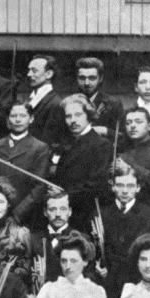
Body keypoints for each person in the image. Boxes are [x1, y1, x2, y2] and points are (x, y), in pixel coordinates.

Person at [98, 168, 150, 298]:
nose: (125, 190)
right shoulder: (100, 214)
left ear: (138, 188)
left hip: (138, 286)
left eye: (130, 185)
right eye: (120, 185)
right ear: (113, 186)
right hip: (108, 286)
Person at [51, 93, 112, 231]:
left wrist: (64, 196)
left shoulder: (101, 144)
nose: (72, 120)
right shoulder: (66, 143)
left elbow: (95, 185)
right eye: (68, 116)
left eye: (78, 115)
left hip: (86, 216)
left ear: (89, 115)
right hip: (64, 214)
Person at [0, 102, 51, 225]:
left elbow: (39, 186)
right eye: (14, 116)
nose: (18, 120)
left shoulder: (39, 148)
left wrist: (17, 215)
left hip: (24, 215)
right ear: (8, 120)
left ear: (31, 119)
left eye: (22, 116)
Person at [115, 106, 150, 211]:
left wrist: (131, 169)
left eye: (138, 122)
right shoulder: (123, 154)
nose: (132, 126)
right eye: (128, 123)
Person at [76, 57, 123, 143]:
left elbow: (122, 137)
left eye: (92, 78)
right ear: (77, 78)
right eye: (82, 78)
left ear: (100, 78)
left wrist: (105, 131)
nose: (86, 83)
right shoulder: (69, 104)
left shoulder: (113, 104)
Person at [25, 55, 63, 146]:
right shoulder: (30, 99)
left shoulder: (55, 103)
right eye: (29, 70)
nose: (29, 74)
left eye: (34, 71)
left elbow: (49, 141)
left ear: (49, 74)